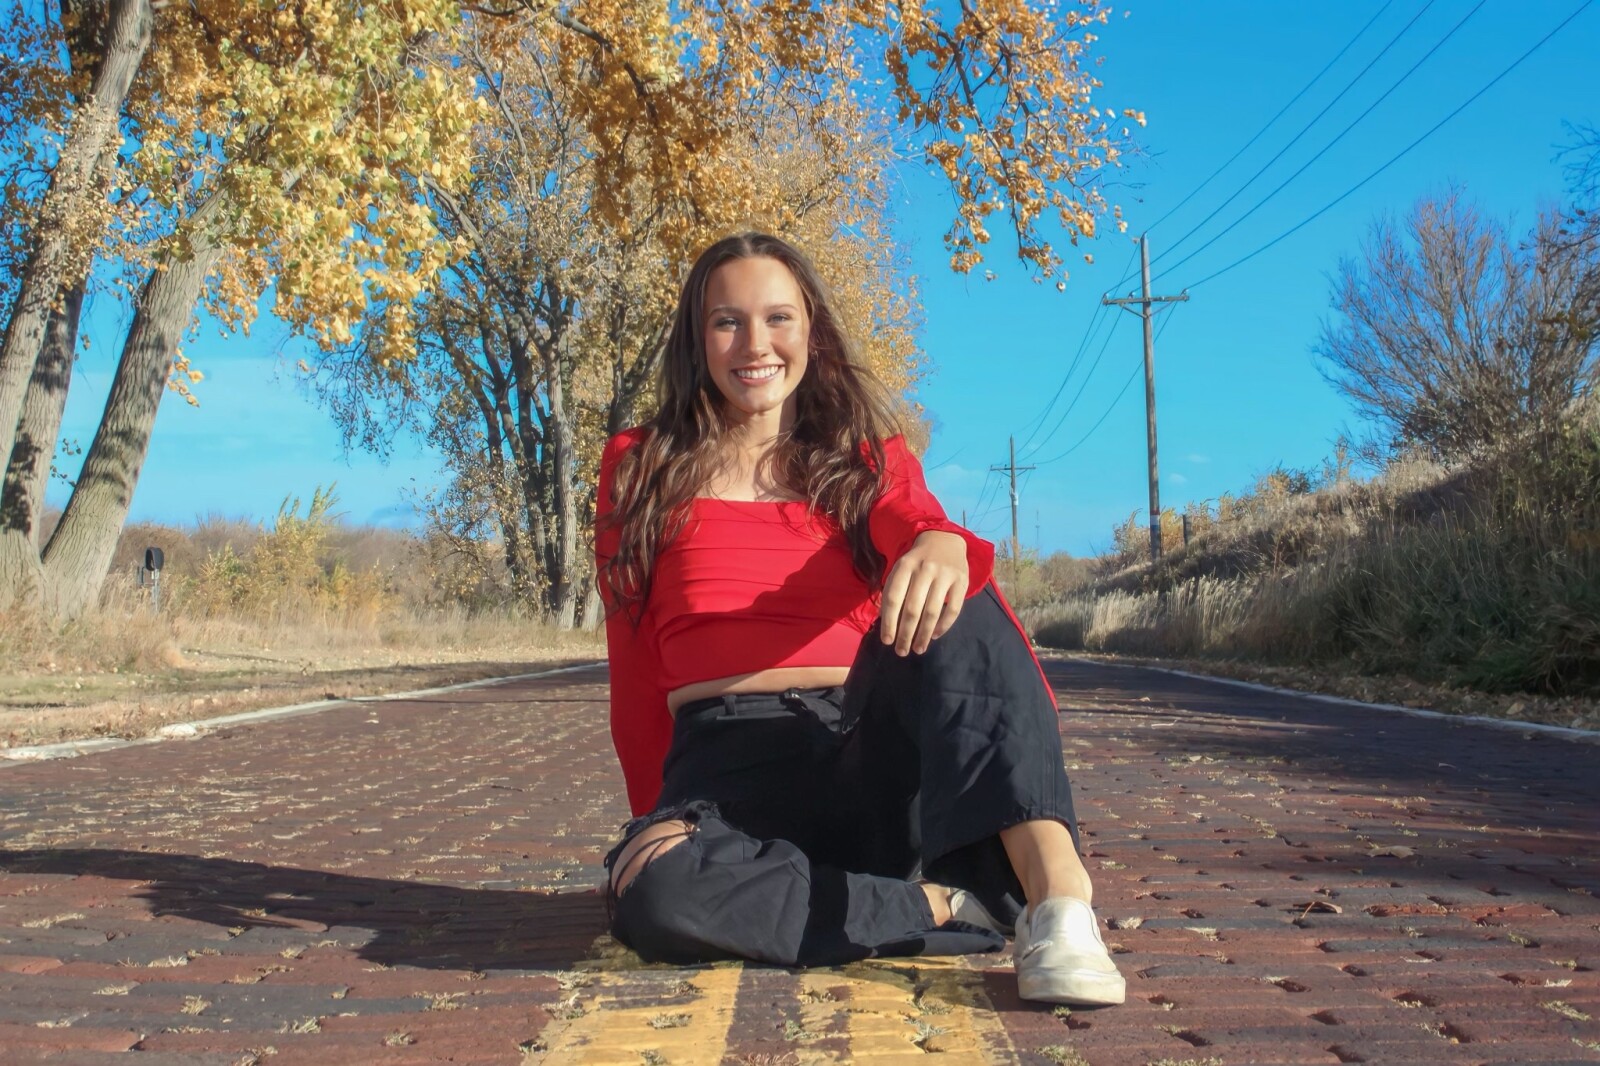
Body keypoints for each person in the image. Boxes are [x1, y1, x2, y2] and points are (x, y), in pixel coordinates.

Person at [593, 232, 1124, 1006]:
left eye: (778, 318)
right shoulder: (640, 464)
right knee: (653, 891)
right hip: (722, 774)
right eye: (727, 322)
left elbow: (914, 522)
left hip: (861, 755)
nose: (755, 344)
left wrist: (939, 541)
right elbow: (634, 663)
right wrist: (658, 824)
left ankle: (1061, 907)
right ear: (697, 339)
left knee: (956, 578)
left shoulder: (862, 458)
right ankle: (943, 906)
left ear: (811, 330)